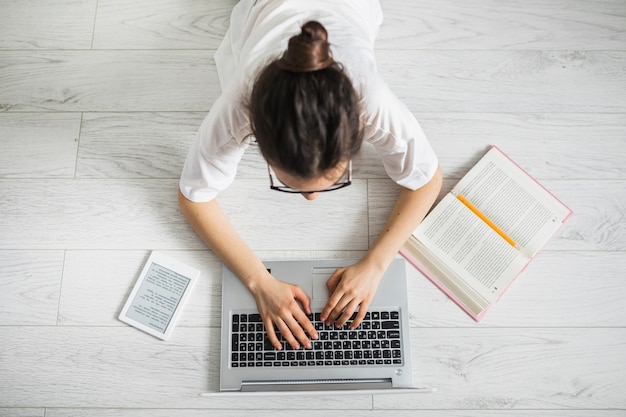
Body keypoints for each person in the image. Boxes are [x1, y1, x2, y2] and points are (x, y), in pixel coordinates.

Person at [178, 0, 442, 352]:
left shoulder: (373, 102)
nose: (312, 199)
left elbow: (429, 180)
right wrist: (258, 281)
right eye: (293, 186)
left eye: (330, 182)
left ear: (358, 133)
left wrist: (377, 265)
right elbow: (192, 197)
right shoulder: (237, 108)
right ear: (254, 133)